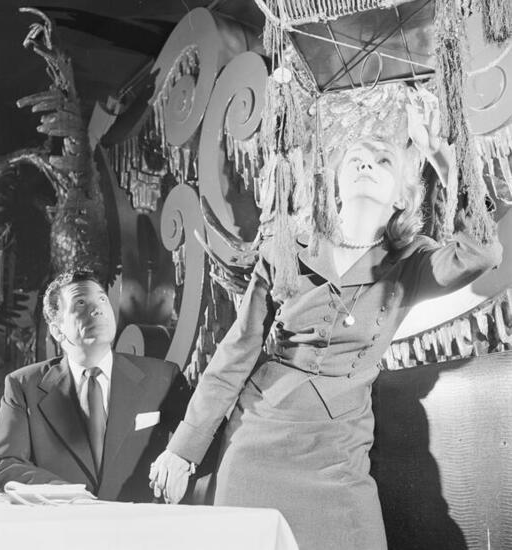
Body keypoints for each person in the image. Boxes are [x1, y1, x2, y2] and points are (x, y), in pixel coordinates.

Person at [149, 93, 503, 549]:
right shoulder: (285, 249)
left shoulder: (411, 260)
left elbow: (481, 253)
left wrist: (443, 160)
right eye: (355, 158)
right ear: (336, 183)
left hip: (337, 454)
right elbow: (235, 354)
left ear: (402, 196)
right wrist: (183, 450)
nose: (366, 163)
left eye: (383, 160)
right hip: (258, 440)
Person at [0, 270, 191, 502]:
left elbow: (199, 443)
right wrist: (66, 493)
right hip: (63, 518)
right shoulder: (24, 386)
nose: (98, 309)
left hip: (142, 520)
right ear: (57, 330)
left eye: (102, 299)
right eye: (81, 303)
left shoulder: (163, 377)